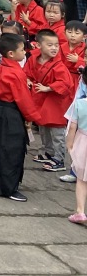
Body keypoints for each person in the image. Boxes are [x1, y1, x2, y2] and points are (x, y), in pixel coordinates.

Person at [0, 32, 42, 201]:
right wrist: (32, 116)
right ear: (11, 53)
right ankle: (8, 188)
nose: (24, 52)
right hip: (11, 113)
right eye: (21, 49)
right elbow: (23, 98)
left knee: (1, 150)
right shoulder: (16, 73)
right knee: (12, 151)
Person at [26, 28, 76, 173]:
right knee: (43, 128)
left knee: (57, 133)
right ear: (39, 45)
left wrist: (48, 88)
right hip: (41, 99)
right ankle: (48, 152)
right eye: (50, 45)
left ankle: (59, 159)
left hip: (55, 103)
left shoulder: (59, 65)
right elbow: (27, 73)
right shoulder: (33, 59)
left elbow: (66, 84)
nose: (54, 48)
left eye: (56, 45)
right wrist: (28, 80)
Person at [65, 67, 87, 223]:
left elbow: (72, 127)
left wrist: (70, 145)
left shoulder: (79, 104)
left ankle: (80, 211)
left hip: (82, 142)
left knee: (81, 179)